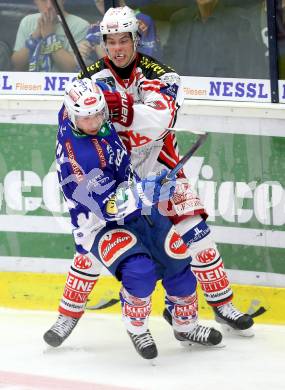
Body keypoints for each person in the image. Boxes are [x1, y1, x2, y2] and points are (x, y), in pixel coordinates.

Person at [43, 6, 254, 349]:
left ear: (135, 39)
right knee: (92, 250)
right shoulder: (90, 79)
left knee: (195, 235)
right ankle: (68, 314)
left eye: (124, 39)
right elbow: (75, 121)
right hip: (116, 175)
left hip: (160, 167)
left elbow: (161, 119)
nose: (117, 48)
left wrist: (115, 106)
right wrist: (105, 110)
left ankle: (220, 305)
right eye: (110, 41)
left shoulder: (161, 73)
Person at [45, 77, 222, 359]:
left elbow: (90, 90)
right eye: (86, 117)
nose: (93, 122)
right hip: (100, 223)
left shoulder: (73, 111)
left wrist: (97, 83)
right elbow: (109, 207)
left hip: (136, 205)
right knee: (140, 272)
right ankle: (137, 327)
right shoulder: (77, 159)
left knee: (178, 258)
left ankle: (185, 325)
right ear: (72, 113)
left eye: (97, 114)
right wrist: (148, 190)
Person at [163, 0, 264, 78]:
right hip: (186, 95)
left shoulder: (240, 21)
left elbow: (251, 69)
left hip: (223, 98)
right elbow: (169, 62)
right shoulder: (180, 19)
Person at [11, 0, 89, 72]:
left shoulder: (81, 26)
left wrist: (50, 37)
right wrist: (35, 37)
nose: (49, 6)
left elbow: (74, 70)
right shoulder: (27, 22)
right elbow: (15, 66)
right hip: (29, 84)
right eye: (43, 0)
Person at [78, 0, 162, 66]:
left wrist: (100, 46)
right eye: (98, 1)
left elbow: (148, 60)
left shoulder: (143, 21)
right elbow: (83, 67)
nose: (102, 3)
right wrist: (82, 52)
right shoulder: (95, 28)